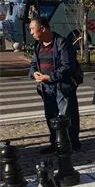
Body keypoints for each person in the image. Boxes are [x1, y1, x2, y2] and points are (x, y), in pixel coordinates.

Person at [28, 16, 81, 153]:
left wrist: (50, 77)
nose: (31, 33)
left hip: (62, 86)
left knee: (66, 116)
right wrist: (34, 73)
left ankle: (70, 143)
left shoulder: (62, 43)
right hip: (46, 88)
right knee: (50, 116)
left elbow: (68, 66)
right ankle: (55, 142)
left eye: (32, 29)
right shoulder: (37, 45)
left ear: (42, 28)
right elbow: (33, 64)